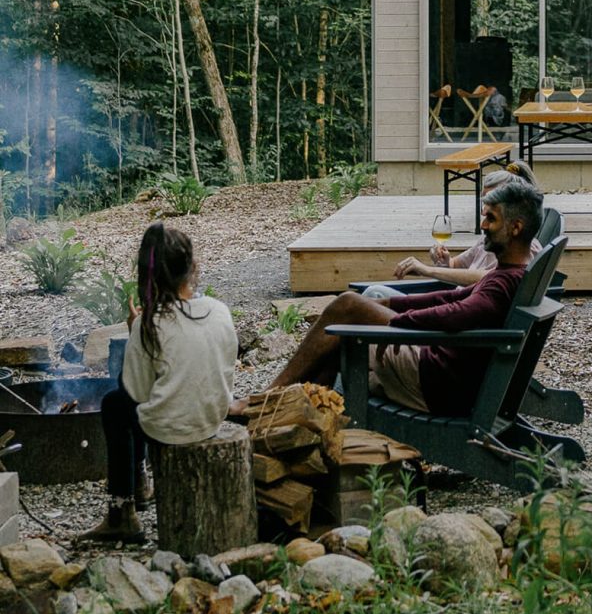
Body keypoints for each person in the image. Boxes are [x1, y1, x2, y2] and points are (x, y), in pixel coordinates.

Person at [264, 177, 543, 417]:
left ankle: (269, 399)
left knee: (346, 307)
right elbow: (445, 300)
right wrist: (387, 305)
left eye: (490, 218)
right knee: (349, 319)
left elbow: (457, 312)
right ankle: (302, 412)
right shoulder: (510, 274)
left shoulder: (503, 282)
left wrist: (399, 324)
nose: (483, 224)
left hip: (438, 384)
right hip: (445, 373)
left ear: (515, 228)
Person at [81, 222, 238, 544]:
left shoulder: (148, 323)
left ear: (146, 275)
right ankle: (139, 485)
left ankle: (122, 511)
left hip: (169, 431)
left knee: (115, 404)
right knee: (136, 401)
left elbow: (136, 392)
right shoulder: (219, 311)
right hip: (211, 419)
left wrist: (135, 331)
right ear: (193, 267)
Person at [363, 161, 541, 299]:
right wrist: (444, 260)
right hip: (453, 306)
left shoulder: (525, 247)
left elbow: (494, 278)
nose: (483, 214)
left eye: (491, 203)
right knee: (351, 302)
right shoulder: (489, 241)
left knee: (373, 295)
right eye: (483, 202)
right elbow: (456, 265)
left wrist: (428, 270)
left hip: (455, 323)